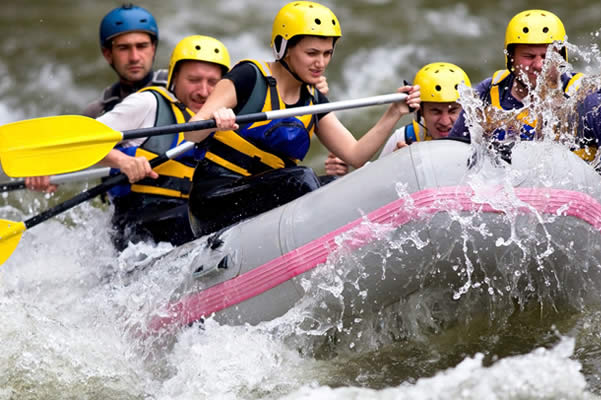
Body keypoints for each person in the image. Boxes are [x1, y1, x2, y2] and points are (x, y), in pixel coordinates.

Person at [183, 1, 420, 237]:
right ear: (283, 48)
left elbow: (355, 155)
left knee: (335, 184)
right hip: (215, 199)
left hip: (266, 196)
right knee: (302, 180)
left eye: (327, 53)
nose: (321, 63)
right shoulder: (249, 77)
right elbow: (192, 132)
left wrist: (394, 112)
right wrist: (215, 119)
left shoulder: (313, 100)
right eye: (311, 53)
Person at [448, 9, 601, 176]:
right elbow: (454, 152)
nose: (539, 65)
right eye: (529, 56)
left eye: (546, 57)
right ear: (511, 59)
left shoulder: (587, 100)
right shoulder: (487, 94)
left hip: (578, 203)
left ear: (561, 58)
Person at [94, 35, 231, 249]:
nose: (203, 91)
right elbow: (84, 141)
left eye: (213, 83)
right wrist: (122, 161)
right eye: (194, 80)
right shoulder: (148, 104)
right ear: (174, 78)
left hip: (191, 219)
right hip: (139, 227)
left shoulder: (226, 119)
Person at [26, 4, 164, 192]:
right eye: (124, 48)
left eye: (142, 46)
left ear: (153, 48)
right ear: (108, 54)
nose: (134, 57)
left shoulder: (180, 89)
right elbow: (65, 156)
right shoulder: (98, 112)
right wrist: (45, 173)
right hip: (126, 211)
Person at [377, 62, 471, 157]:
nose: (445, 122)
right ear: (421, 111)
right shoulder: (403, 137)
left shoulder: (480, 137)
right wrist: (396, 162)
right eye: (436, 111)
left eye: (453, 111)